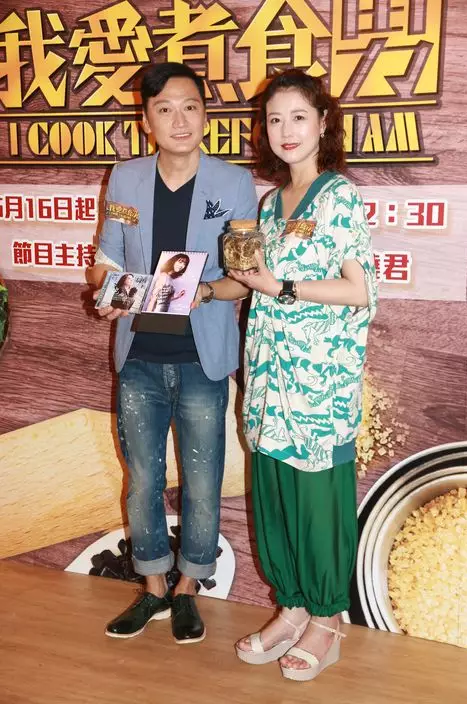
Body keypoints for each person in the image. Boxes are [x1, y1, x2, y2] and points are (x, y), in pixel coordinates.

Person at [88, 61, 257, 645]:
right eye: (164, 109)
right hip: (139, 356)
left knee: (203, 481)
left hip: (202, 358)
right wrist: (109, 292)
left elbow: (244, 278)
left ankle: (189, 588)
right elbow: (107, 258)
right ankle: (154, 586)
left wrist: (203, 291)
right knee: (142, 480)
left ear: (205, 115)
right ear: (147, 119)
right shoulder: (126, 179)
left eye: (190, 107)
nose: (179, 120)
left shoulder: (233, 184)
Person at [230, 69, 378, 681]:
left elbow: (360, 290)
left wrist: (282, 285)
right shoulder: (269, 205)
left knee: (317, 503)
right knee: (275, 497)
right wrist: (238, 279)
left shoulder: (338, 196)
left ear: (322, 123)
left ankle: (326, 617)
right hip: (270, 380)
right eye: (274, 119)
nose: (285, 130)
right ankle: (291, 606)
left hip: (319, 387)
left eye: (298, 116)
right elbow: (259, 285)